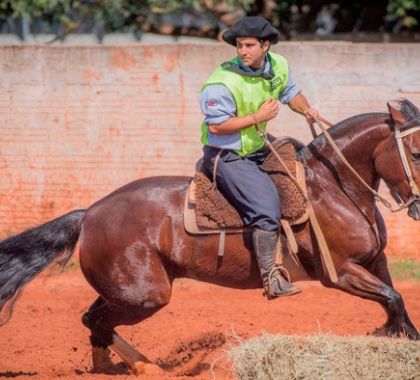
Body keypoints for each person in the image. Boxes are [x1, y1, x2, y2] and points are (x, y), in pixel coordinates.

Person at [199, 16, 320, 299]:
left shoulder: (278, 64)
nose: (243, 51)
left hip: (258, 148)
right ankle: (272, 279)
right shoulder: (220, 83)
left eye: (249, 45)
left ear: (265, 45)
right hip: (226, 155)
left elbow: (290, 92)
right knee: (267, 207)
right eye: (239, 45)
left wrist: (308, 110)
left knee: (305, 163)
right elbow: (216, 125)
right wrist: (258, 117)